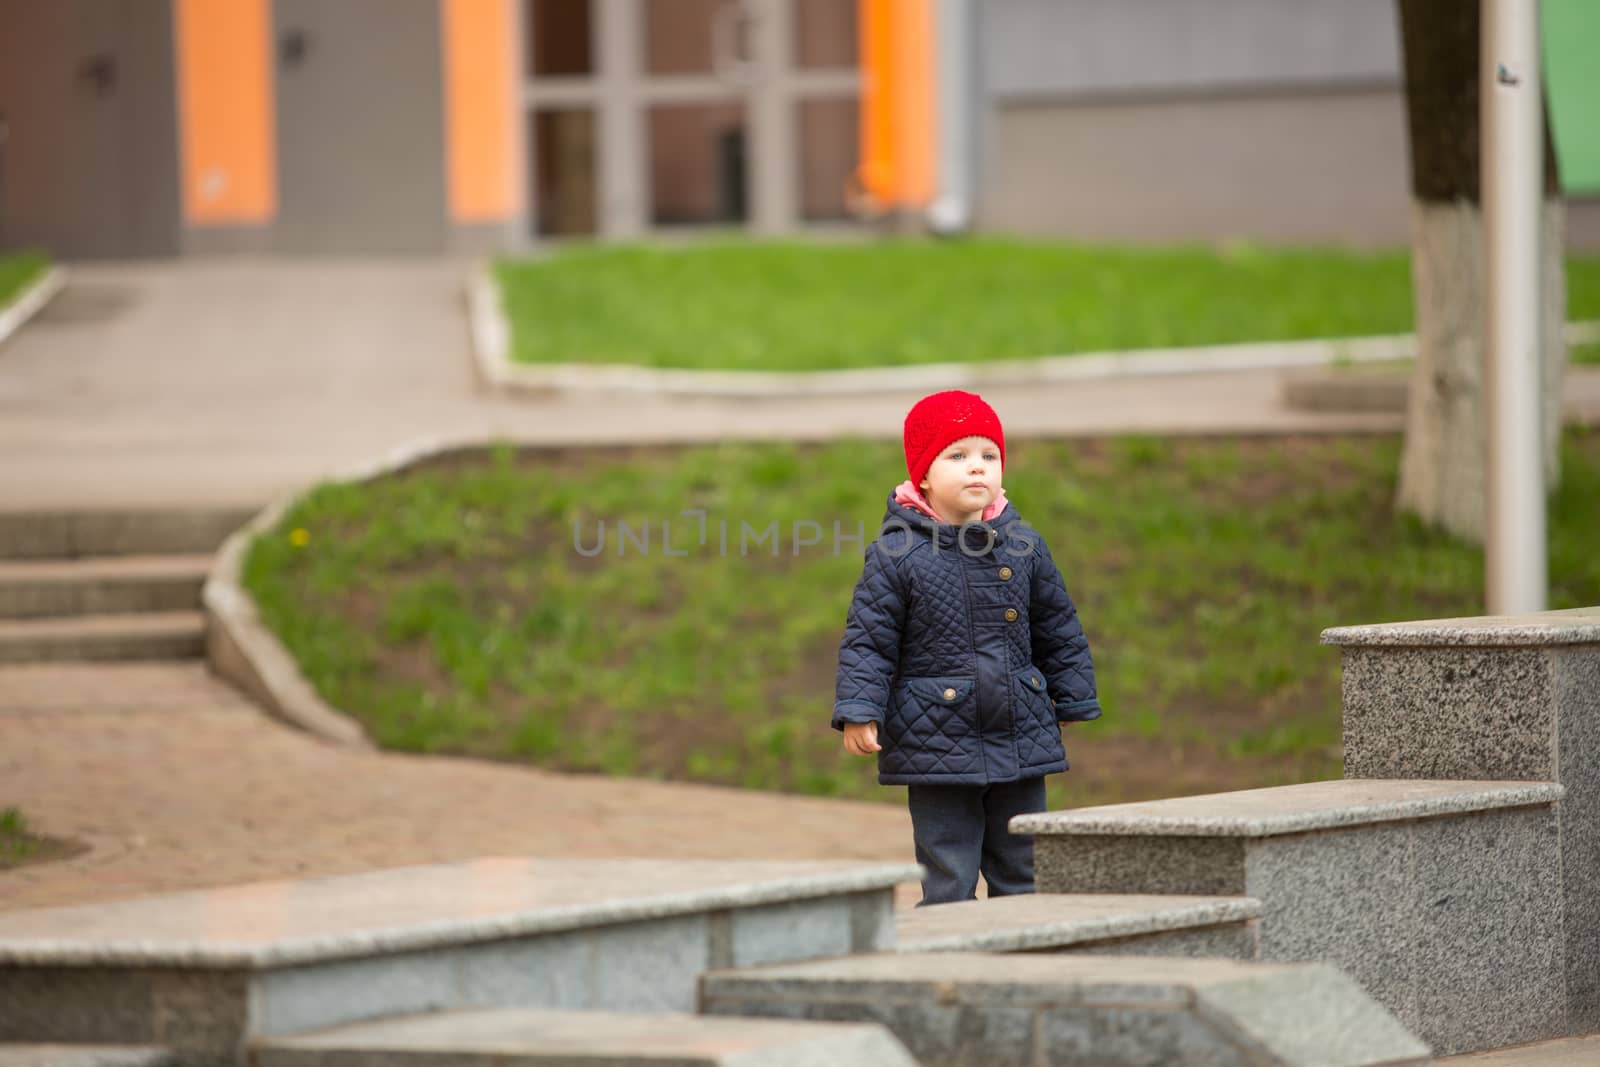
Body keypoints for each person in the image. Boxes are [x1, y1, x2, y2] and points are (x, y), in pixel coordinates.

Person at [832, 389, 1101, 906]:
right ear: (923, 476)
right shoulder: (897, 553)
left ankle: (1024, 953)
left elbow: (1058, 626)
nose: (977, 468)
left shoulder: (1022, 544)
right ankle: (952, 960)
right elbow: (869, 640)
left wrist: (1071, 696)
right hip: (936, 735)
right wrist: (858, 710)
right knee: (948, 868)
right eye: (957, 456)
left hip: (1018, 727)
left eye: (989, 456)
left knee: (1023, 861)